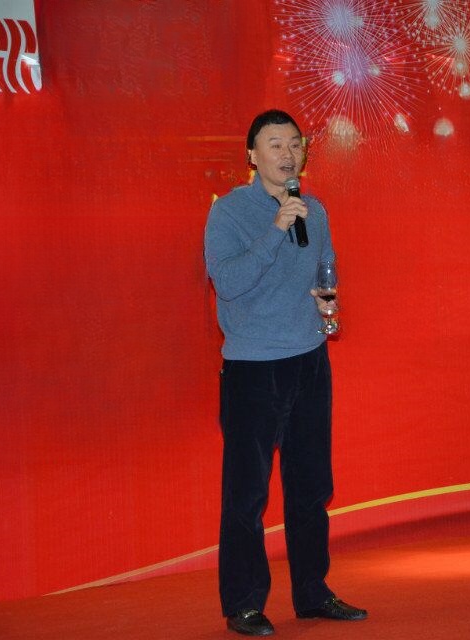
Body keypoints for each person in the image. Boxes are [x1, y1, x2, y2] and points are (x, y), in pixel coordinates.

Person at [204, 109, 366, 636]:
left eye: (295, 144)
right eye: (275, 145)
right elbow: (228, 282)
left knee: (311, 487)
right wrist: (275, 228)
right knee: (247, 494)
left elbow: (325, 270)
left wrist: (327, 301)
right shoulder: (229, 212)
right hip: (253, 368)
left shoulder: (313, 211)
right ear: (252, 155)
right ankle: (244, 603)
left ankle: (313, 592)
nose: (288, 154)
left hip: (309, 361)